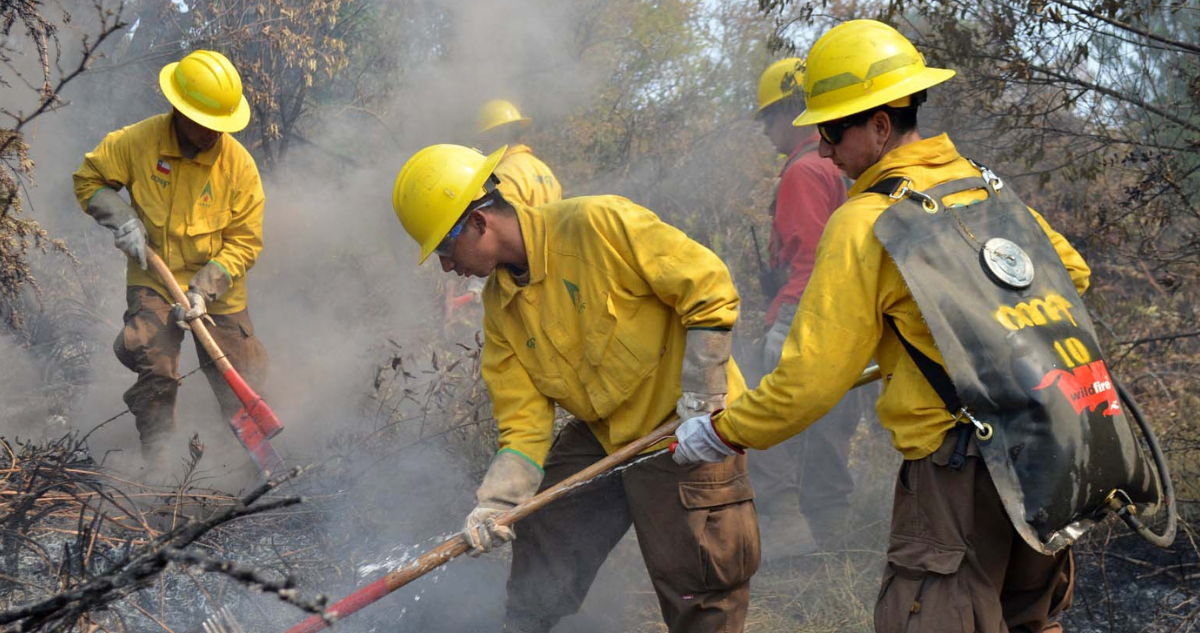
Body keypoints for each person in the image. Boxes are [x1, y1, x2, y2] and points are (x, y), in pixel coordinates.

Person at [673, 20, 1081, 632]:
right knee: (1030, 619)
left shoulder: (867, 218)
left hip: (961, 469)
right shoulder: (981, 184)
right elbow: (1072, 276)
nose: (823, 147)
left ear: (881, 124)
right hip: (1049, 444)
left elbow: (809, 383)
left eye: (832, 131)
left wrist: (724, 432)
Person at [391, 144, 759, 633]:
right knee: (547, 524)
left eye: (443, 248)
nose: (445, 267)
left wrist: (704, 393)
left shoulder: (598, 225)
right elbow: (524, 423)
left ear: (478, 222)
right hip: (606, 432)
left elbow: (707, 286)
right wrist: (499, 502)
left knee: (696, 576)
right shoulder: (501, 309)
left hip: (685, 424)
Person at [73, 50, 268, 464]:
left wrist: (204, 289)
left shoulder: (240, 168)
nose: (215, 133)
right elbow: (89, 181)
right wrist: (121, 219)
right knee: (157, 367)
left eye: (222, 125)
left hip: (218, 287)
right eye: (206, 123)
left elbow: (246, 242)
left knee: (243, 378)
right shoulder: (136, 142)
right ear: (179, 110)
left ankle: (255, 470)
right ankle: (158, 468)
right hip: (154, 278)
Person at [750, 57, 866, 559]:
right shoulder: (843, 164)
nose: (766, 132)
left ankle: (787, 532)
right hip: (850, 319)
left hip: (807, 314)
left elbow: (811, 253)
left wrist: (783, 328)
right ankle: (834, 536)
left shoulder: (802, 169)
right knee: (830, 426)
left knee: (761, 417)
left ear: (789, 112)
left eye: (767, 119)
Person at [447, 99, 564, 315]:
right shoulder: (543, 170)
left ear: (493, 136)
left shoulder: (504, 175)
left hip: (523, 281)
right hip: (555, 270)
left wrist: (478, 288)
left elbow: (495, 236)